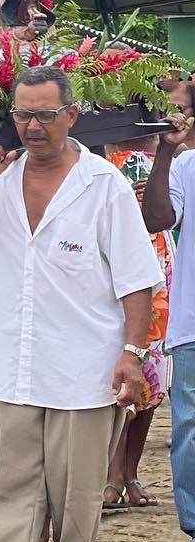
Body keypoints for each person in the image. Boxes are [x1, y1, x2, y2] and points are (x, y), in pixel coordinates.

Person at [0, 65, 163, 542]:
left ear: (72, 115)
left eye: (46, 114)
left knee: (75, 503)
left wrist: (131, 354)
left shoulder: (102, 184)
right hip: (13, 370)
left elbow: (136, 280)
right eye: (23, 115)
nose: (33, 127)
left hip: (82, 374)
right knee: (12, 500)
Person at [100, 135, 173, 508]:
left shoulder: (168, 139)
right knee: (116, 369)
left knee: (152, 374)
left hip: (160, 257)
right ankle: (111, 474)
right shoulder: (98, 147)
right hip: (113, 263)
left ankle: (130, 472)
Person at [140, 99, 195, 542]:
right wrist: (164, 154)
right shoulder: (186, 164)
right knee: (190, 433)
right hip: (193, 324)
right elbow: (157, 220)